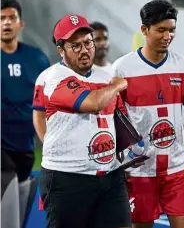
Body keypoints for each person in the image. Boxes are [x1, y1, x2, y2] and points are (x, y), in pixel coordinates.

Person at [113, 0, 184, 228]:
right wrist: (118, 161)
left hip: (177, 168)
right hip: (139, 170)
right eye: (161, 30)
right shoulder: (122, 68)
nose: (168, 36)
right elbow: (115, 118)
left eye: (172, 30)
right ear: (145, 30)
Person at [39, 14, 132, 228]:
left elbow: (117, 118)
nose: (85, 49)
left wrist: (127, 154)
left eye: (88, 42)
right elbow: (93, 103)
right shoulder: (55, 78)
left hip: (110, 175)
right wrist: (117, 85)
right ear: (61, 50)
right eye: (75, 45)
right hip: (67, 178)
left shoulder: (104, 76)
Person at [1, 0, 50, 228]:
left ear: (21, 24)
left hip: (25, 144)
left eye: (11, 18)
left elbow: (49, 99)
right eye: (2, 19)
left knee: (19, 209)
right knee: (7, 182)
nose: (6, 23)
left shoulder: (37, 58)